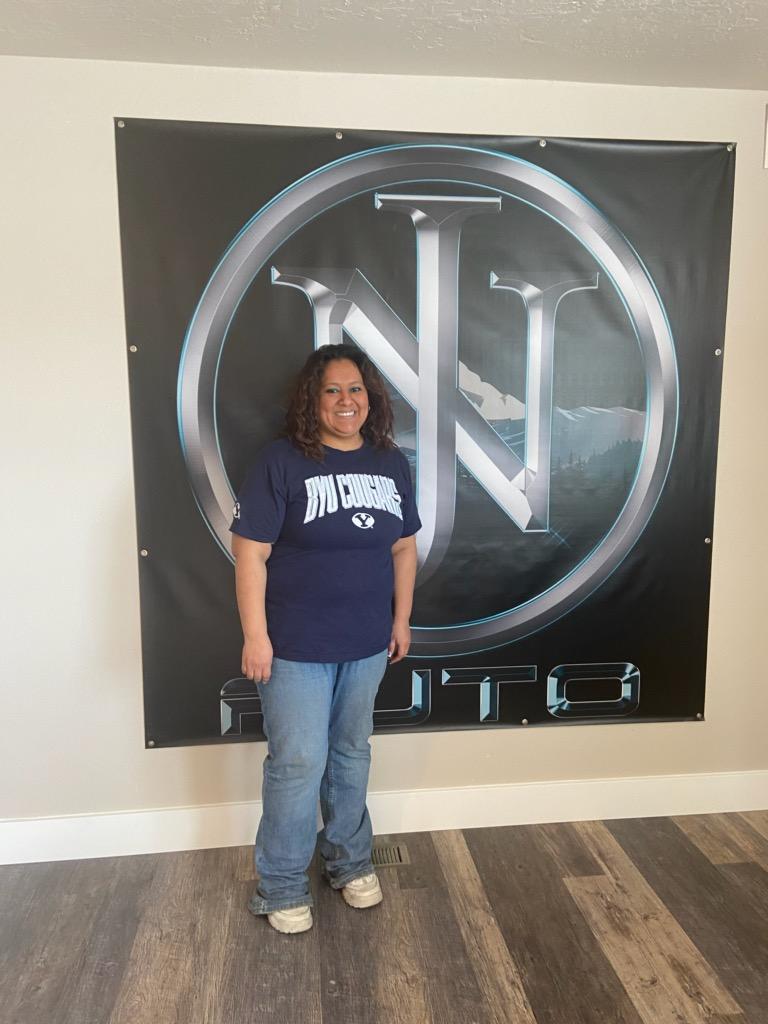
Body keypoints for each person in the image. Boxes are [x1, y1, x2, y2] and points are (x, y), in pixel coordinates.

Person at [230, 343, 421, 934]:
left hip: (366, 643)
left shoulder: (390, 463)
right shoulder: (280, 461)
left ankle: (349, 862)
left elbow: (403, 547)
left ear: (371, 398)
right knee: (298, 763)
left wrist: (401, 620)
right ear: (312, 400)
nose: (345, 400)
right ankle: (283, 885)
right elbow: (250, 553)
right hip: (294, 647)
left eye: (355, 389)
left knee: (351, 753)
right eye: (332, 389)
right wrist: (256, 636)